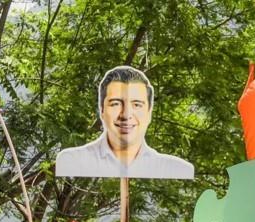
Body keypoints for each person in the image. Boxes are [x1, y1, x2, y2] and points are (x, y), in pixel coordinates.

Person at [55, 66, 193, 179]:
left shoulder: (178, 170)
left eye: (137, 104)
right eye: (116, 104)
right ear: (102, 110)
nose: (126, 115)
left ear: (149, 112)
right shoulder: (71, 161)